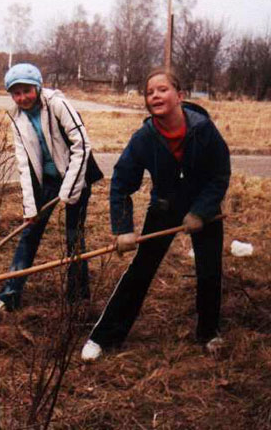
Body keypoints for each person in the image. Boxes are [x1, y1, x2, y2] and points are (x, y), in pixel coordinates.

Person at [81, 66, 231, 361]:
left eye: (162, 89)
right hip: (164, 207)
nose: (155, 96)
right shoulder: (144, 138)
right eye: (150, 92)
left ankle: (209, 332)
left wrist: (201, 211)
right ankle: (104, 337)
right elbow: (121, 185)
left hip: (205, 210)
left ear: (180, 95)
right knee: (140, 270)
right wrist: (123, 229)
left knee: (209, 271)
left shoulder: (203, 130)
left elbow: (220, 174)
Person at [0, 63, 103, 311]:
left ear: (38, 87)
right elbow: (24, 165)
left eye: (26, 91)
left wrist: (70, 188)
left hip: (77, 174)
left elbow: (82, 145)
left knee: (74, 236)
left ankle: (77, 296)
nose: (22, 98)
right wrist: (30, 208)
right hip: (48, 183)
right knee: (29, 232)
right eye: (16, 93)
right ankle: (10, 294)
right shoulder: (17, 118)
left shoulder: (57, 104)